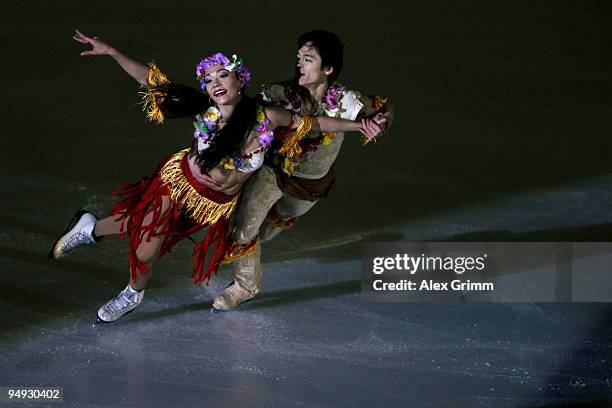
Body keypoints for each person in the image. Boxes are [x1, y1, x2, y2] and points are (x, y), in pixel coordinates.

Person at [50, 30, 382, 323]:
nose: (215, 83)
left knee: (136, 223)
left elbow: (317, 124)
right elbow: (151, 81)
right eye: (208, 80)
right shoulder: (204, 110)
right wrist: (112, 52)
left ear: (241, 80)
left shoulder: (266, 116)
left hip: (214, 204)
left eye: (223, 75)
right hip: (178, 184)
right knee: (146, 248)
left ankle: (90, 227)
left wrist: (358, 126)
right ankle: (132, 294)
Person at [210, 30, 395, 311]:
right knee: (244, 227)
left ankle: (256, 243)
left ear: (328, 68)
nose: (299, 64)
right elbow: (241, 112)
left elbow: (385, 106)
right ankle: (245, 286)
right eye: (299, 58)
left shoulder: (345, 101)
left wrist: (380, 121)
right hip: (273, 172)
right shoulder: (277, 94)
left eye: (308, 59)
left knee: (279, 220)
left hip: (311, 184)